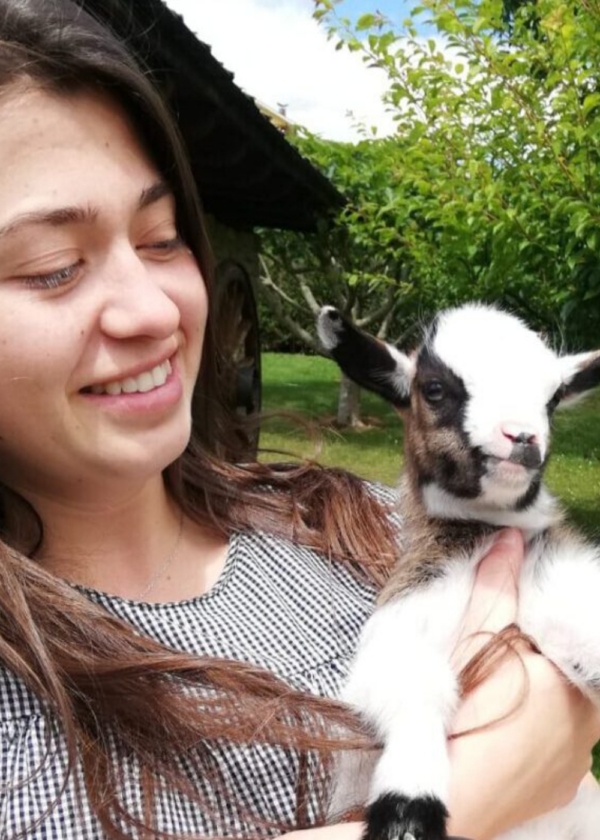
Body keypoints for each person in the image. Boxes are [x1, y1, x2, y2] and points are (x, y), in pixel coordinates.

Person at [0, 1, 597, 838]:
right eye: (53, 269)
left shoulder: (346, 515)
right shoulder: (23, 735)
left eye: (165, 238)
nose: (153, 311)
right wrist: (478, 791)